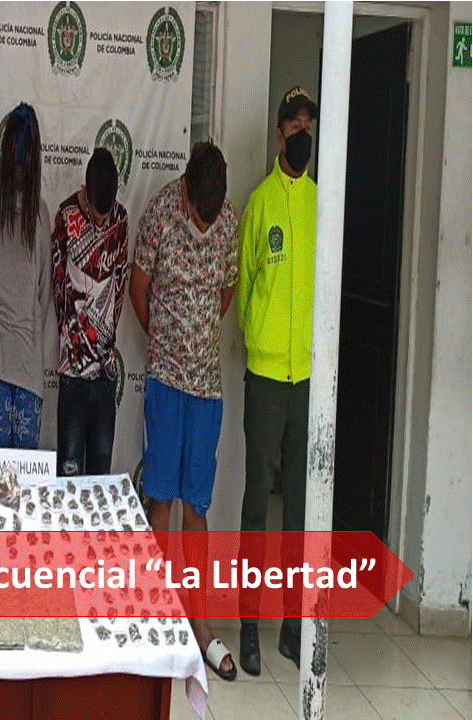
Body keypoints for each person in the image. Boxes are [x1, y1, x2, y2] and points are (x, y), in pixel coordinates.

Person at [130, 142, 239, 682]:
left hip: (207, 388)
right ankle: (157, 617)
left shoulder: (228, 220)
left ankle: (200, 625)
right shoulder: (158, 214)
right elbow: (139, 289)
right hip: (166, 382)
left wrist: (198, 337)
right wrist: (168, 341)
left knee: (197, 505)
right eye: (199, 215)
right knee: (161, 500)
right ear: (186, 194)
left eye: (211, 217)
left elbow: (227, 290)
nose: (204, 224)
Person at [236, 86, 318, 675]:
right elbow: (244, 288)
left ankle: (293, 625)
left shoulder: (321, 203)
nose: (302, 135)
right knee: (255, 503)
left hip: (306, 377)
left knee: (300, 507)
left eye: (309, 125)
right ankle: (248, 625)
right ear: (279, 135)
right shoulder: (260, 203)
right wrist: (260, 337)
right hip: (266, 375)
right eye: (294, 126)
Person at [0, 103, 52, 470]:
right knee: (16, 479)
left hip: (5, 359)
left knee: (6, 476)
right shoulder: (5, 209)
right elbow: (43, 294)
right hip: (15, 361)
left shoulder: (27, 211)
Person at [51, 147, 129, 476]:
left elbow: (120, 285)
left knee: (101, 475)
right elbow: (58, 289)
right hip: (72, 370)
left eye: (105, 216)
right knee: (69, 473)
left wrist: (104, 342)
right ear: (85, 190)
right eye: (96, 216)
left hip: (105, 372)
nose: (101, 222)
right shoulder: (65, 216)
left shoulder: (120, 220)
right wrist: (74, 340)